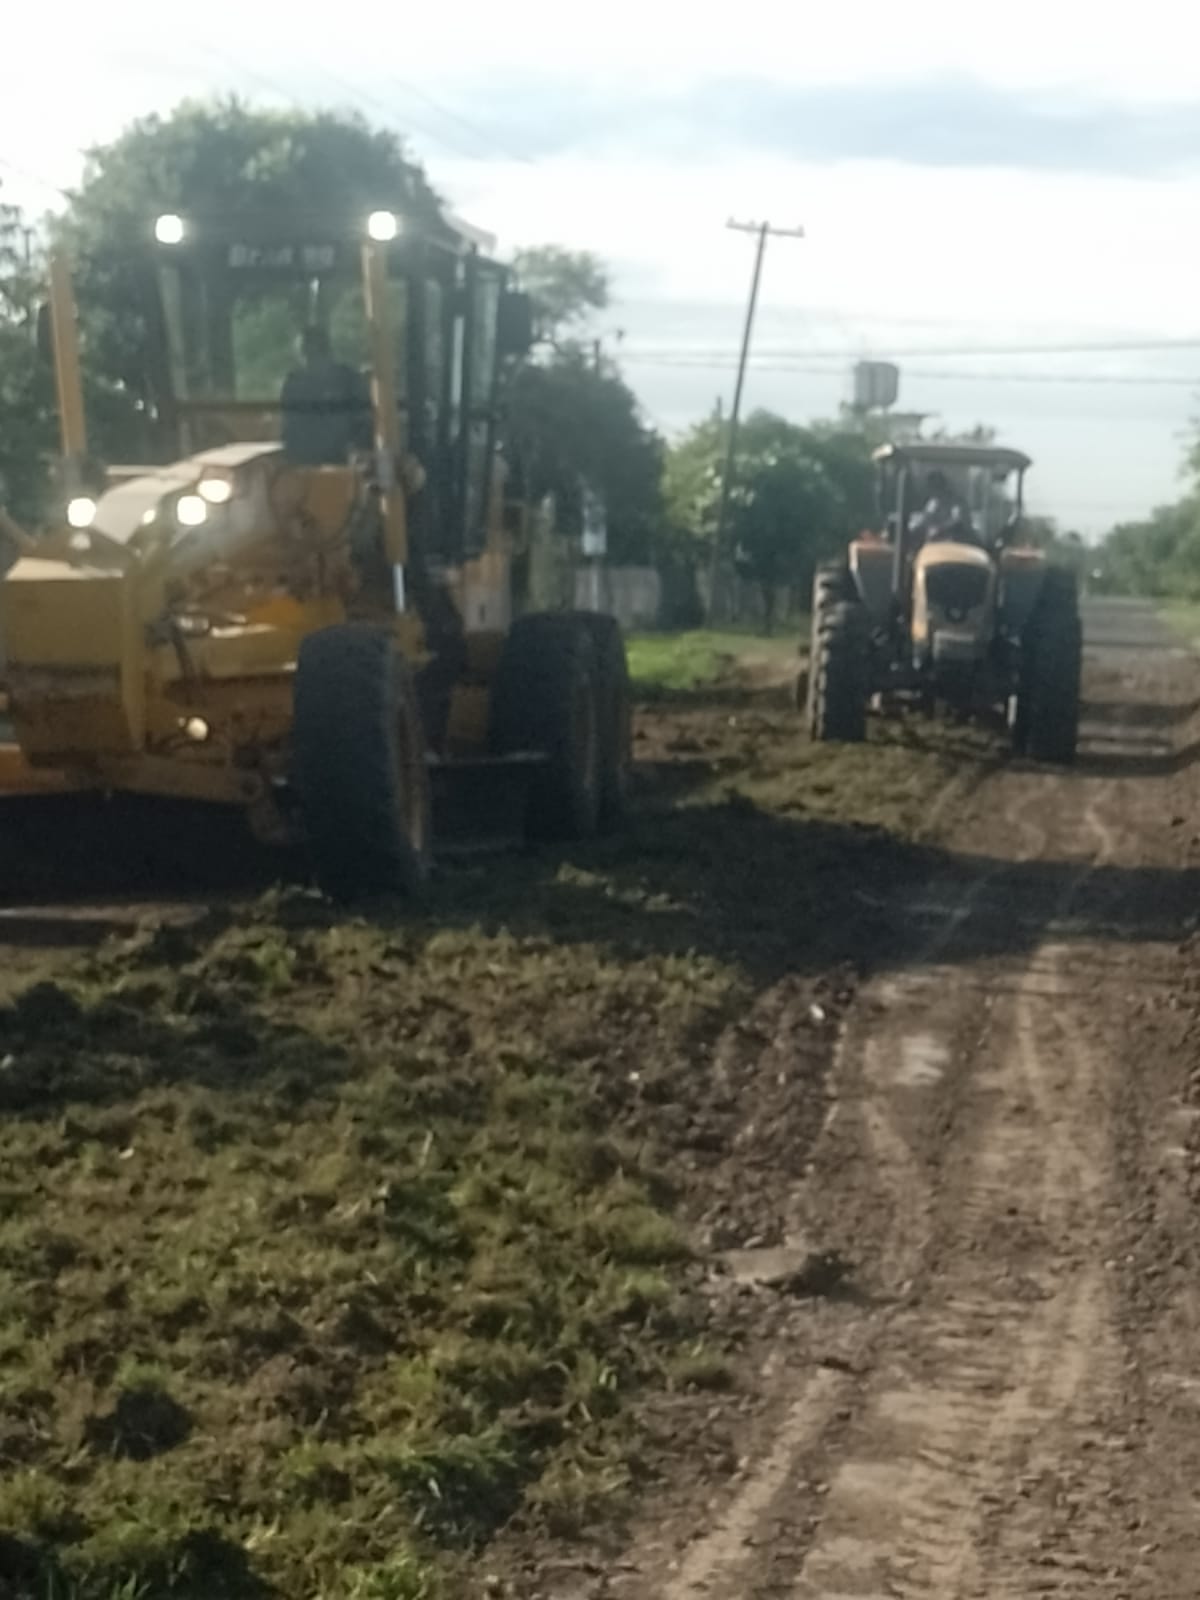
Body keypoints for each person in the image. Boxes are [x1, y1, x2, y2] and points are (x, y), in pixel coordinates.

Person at [280, 326, 373, 466]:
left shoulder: (348, 380)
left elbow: (364, 422)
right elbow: (288, 426)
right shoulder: (294, 383)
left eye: (314, 354)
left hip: (345, 463)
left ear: (327, 352)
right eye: (304, 355)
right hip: (303, 464)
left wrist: (355, 451)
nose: (308, 360)